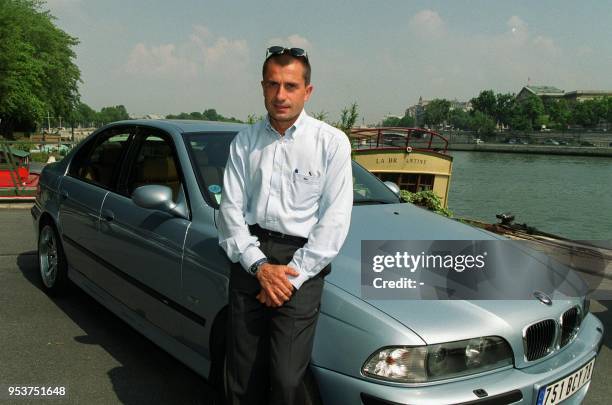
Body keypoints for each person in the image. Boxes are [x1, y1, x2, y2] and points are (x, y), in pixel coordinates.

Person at [217, 46, 353, 405]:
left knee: (286, 377)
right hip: (250, 256)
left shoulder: (331, 143)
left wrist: (289, 275)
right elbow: (229, 211)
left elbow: (334, 220)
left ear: (307, 91)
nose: (281, 95)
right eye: (273, 84)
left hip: (302, 262)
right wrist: (259, 267)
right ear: (262, 86)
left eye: (291, 86)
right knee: (241, 374)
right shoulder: (244, 142)